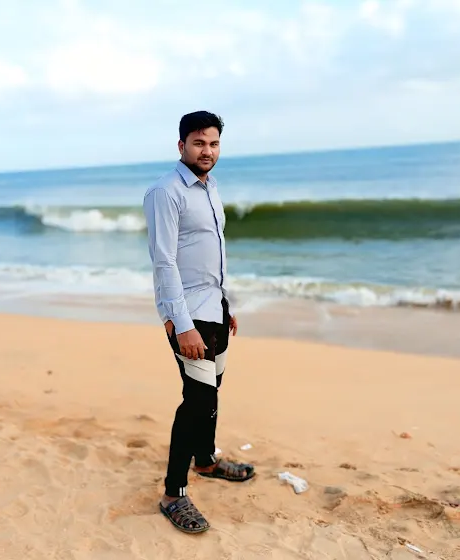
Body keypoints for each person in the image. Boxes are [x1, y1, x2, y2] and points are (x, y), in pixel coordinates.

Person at [142, 110, 256, 534]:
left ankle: (205, 461)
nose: (207, 151)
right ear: (181, 146)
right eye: (198, 143)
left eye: (213, 143)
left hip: (215, 309)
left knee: (211, 392)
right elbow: (164, 261)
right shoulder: (165, 192)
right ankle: (173, 494)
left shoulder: (210, 188)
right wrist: (181, 323)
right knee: (197, 400)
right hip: (189, 313)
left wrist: (227, 304)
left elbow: (212, 252)